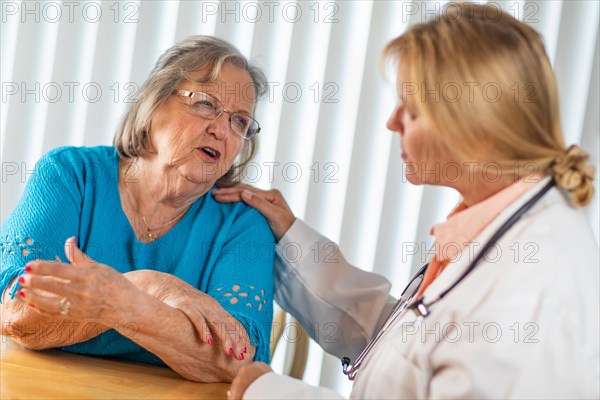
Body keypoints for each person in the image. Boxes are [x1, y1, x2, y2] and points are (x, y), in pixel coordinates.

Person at [213, 3, 599, 398]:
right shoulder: (492, 226)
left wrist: (272, 393)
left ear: (479, 126)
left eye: (412, 111)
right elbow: (403, 341)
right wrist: (291, 238)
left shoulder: (536, 283)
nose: (392, 122)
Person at [0, 36, 275, 383]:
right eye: (206, 104)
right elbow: (16, 311)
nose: (221, 129)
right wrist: (151, 287)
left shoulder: (243, 226)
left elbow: (240, 362)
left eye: (239, 122)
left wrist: (121, 301)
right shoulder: (70, 175)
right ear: (153, 105)